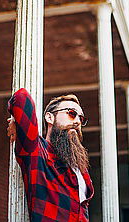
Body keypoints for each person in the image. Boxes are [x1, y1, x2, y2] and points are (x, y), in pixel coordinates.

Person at [7, 88, 94, 221]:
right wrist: (17, 120)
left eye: (81, 118)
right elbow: (21, 97)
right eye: (71, 113)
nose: (77, 122)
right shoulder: (37, 150)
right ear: (49, 117)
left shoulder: (80, 169)